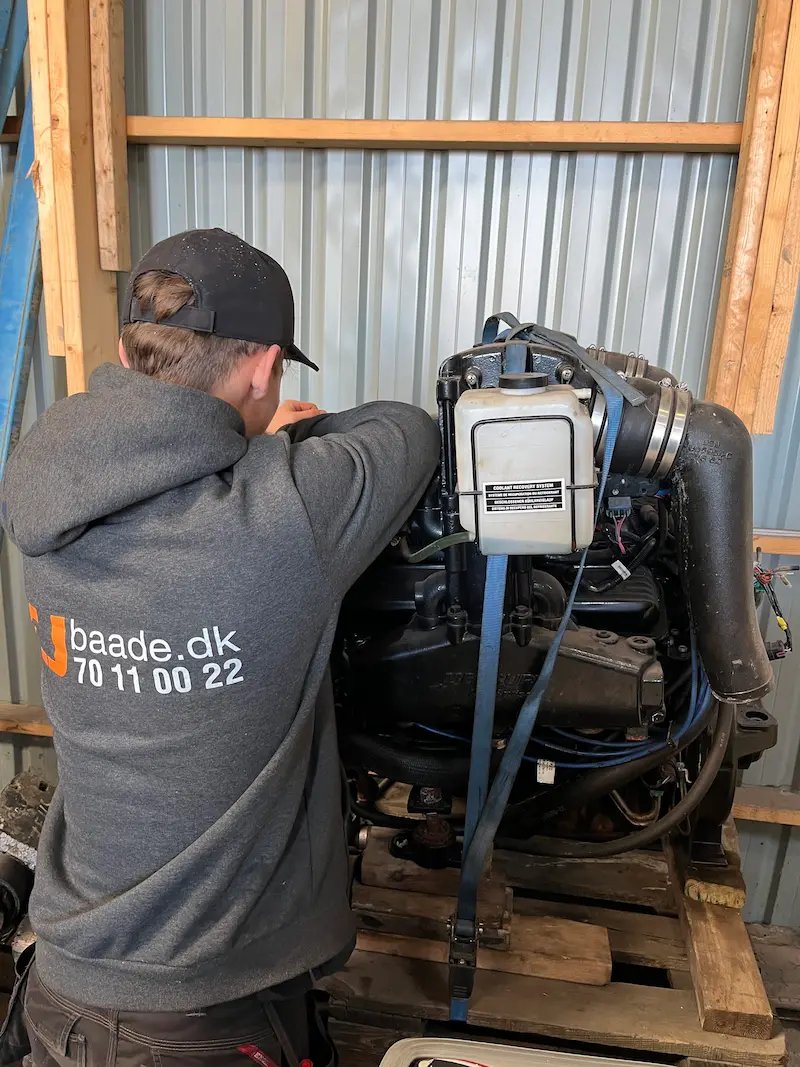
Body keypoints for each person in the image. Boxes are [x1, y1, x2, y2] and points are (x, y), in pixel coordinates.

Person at [0, 228, 441, 1067]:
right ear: (265, 368)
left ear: (128, 355)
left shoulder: (41, 484)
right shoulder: (288, 510)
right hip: (205, 1022)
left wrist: (249, 441)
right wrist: (280, 439)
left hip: (60, 993)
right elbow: (408, 429)